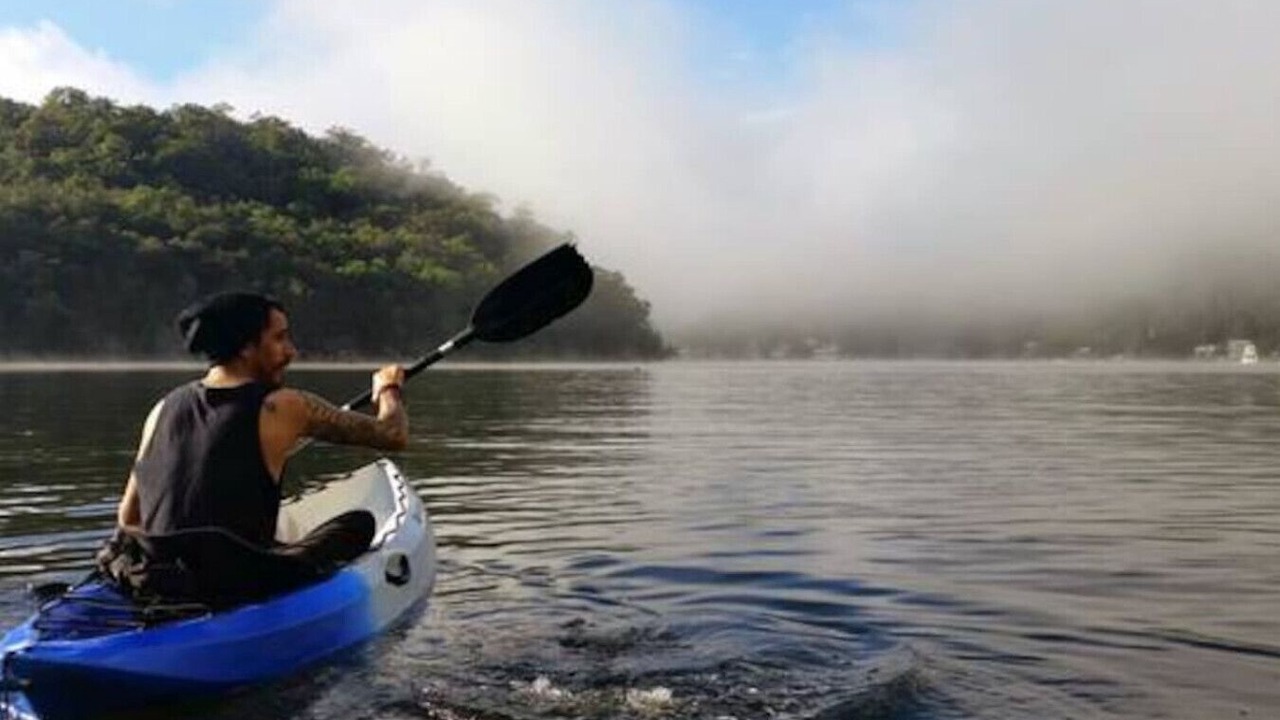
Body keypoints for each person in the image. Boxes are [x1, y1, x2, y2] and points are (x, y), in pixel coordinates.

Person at [99, 291, 409, 606]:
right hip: (235, 582)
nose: (291, 351)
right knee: (358, 524)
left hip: (158, 576)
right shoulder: (283, 406)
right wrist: (388, 388)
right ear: (246, 347)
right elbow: (393, 434)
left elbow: (129, 517)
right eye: (280, 339)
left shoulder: (163, 407)